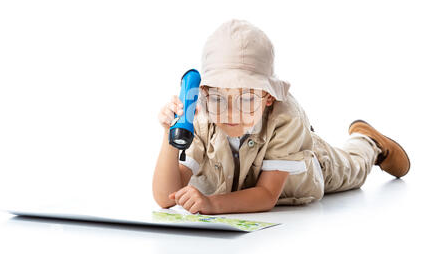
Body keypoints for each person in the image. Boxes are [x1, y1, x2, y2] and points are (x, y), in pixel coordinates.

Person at [153, 19, 411, 214]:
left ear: (268, 97)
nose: (231, 113)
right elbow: (166, 197)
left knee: (353, 168)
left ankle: (368, 143)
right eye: (219, 98)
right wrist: (169, 134)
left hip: (306, 170)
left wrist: (211, 204)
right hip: (242, 187)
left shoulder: (285, 117)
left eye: (246, 99)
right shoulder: (199, 118)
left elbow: (266, 194)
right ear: (204, 94)